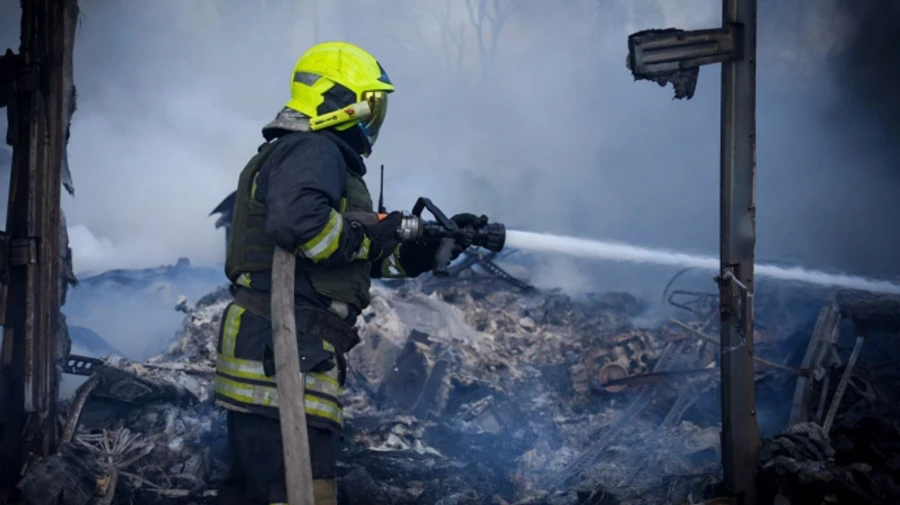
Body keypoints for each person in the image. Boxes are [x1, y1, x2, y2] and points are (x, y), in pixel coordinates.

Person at [214, 41, 474, 505]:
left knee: (259, 494)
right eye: (371, 103)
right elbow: (303, 228)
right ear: (337, 100)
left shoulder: (310, 155)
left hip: (284, 356)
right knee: (301, 495)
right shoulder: (313, 149)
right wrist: (378, 231)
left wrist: (425, 246)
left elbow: (353, 256)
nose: (373, 117)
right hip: (283, 358)